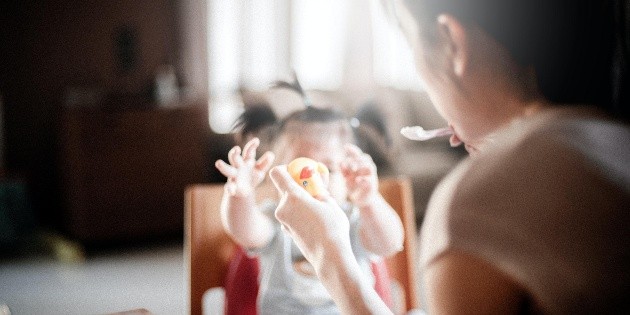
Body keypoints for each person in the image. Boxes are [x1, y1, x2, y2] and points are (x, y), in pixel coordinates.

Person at [267, 0, 630, 314]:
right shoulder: (615, 138)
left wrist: (330, 255)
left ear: (452, 42)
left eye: (409, 43)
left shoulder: (473, 205)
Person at [214, 87, 404, 314]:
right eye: (300, 168)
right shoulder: (278, 218)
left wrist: (369, 201)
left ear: (347, 178)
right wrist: (240, 195)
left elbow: (389, 243)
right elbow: (244, 230)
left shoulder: (353, 221)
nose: (313, 179)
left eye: (329, 169)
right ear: (276, 174)